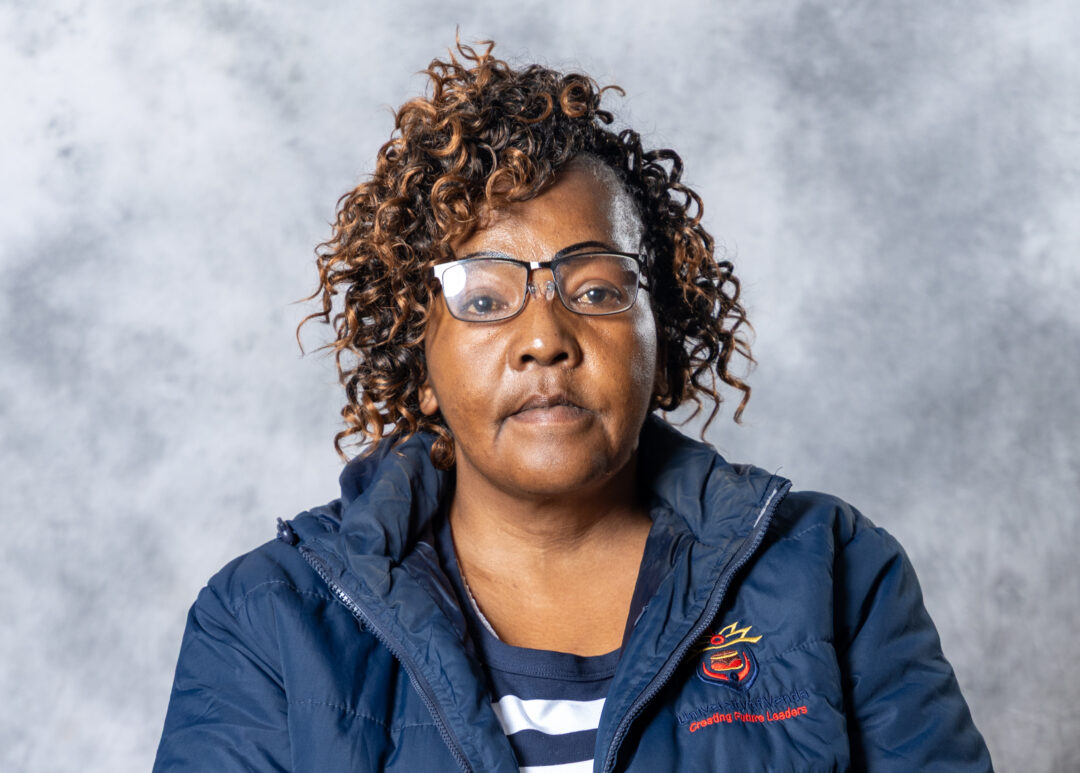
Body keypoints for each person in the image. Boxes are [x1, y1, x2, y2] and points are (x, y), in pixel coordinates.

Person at [153, 41, 992, 772]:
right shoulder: (264, 622)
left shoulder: (836, 573)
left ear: (661, 332)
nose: (545, 338)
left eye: (595, 289)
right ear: (418, 355)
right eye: (485, 299)